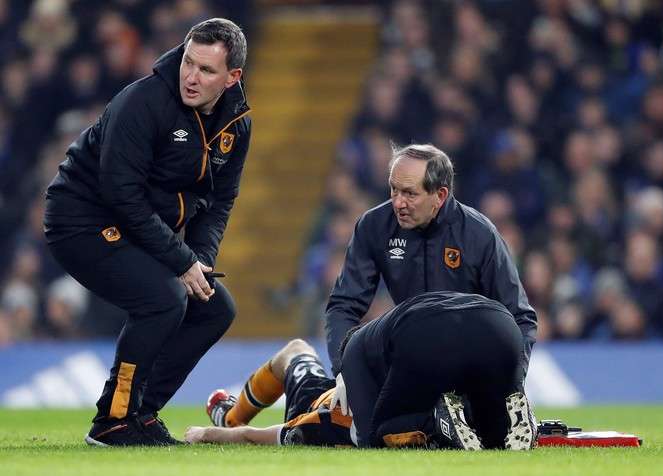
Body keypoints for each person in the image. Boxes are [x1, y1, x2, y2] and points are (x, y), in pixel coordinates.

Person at [43, 18, 251, 446]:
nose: (191, 77)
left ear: (232, 78)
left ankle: (141, 413)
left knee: (214, 308)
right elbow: (122, 196)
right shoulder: (143, 101)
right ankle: (113, 421)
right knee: (162, 298)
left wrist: (200, 259)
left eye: (207, 71)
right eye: (188, 63)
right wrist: (181, 261)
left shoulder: (236, 126)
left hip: (140, 226)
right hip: (81, 220)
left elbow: (219, 201)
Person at [325, 144, 537, 414]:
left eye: (410, 193)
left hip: (471, 365)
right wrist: (344, 369)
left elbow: (520, 316)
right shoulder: (374, 226)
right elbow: (344, 305)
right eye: (394, 189)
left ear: (440, 195)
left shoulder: (479, 234)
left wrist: (512, 382)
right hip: (408, 361)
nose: (398, 202)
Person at [340, 290, 536, 450]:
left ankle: (436, 422)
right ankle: (512, 418)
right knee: (493, 438)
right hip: (503, 325)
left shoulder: (354, 347)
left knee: (381, 434)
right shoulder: (382, 331)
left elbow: (367, 437)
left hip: (429, 330)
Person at [187, 339, 357, 447]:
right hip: (339, 395)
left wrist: (204, 433)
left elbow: (252, 436)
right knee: (296, 348)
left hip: (314, 405)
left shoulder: (327, 423)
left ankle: (231, 419)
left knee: (295, 349)